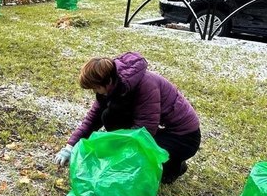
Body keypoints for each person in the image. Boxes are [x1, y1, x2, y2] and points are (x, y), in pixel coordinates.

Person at [54, 53, 201, 184]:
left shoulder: (146, 86)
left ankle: (174, 165)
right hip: (160, 129)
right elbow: (92, 119)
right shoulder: (112, 88)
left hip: (183, 138)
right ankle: (163, 160)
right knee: (109, 115)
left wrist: (117, 154)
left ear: (109, 81)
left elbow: (145, 130)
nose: (94, 92)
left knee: (143, 172)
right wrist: (69, 147)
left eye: (96, 87)